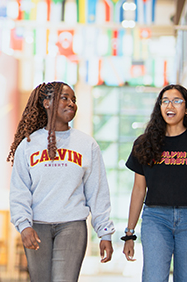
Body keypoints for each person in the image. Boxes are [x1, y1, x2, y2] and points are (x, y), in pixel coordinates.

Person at [8, 81, 115, 281]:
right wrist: (24, 225)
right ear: (46, 103)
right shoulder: (28, 145)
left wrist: (105, 233)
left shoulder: (86, 144)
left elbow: (97, 191)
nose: (71, 104)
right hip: (37, 226)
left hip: (72, 225)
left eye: (73, 100)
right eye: (65, 98)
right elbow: (19, 190)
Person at [123, 84, 187, 281]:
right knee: (154, 278)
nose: (170, 105)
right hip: (156, 219)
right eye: (165, 101)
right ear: (159, 108)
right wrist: (129, 233)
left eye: (177, 101)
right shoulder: (144, 144)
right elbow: (138, 190)